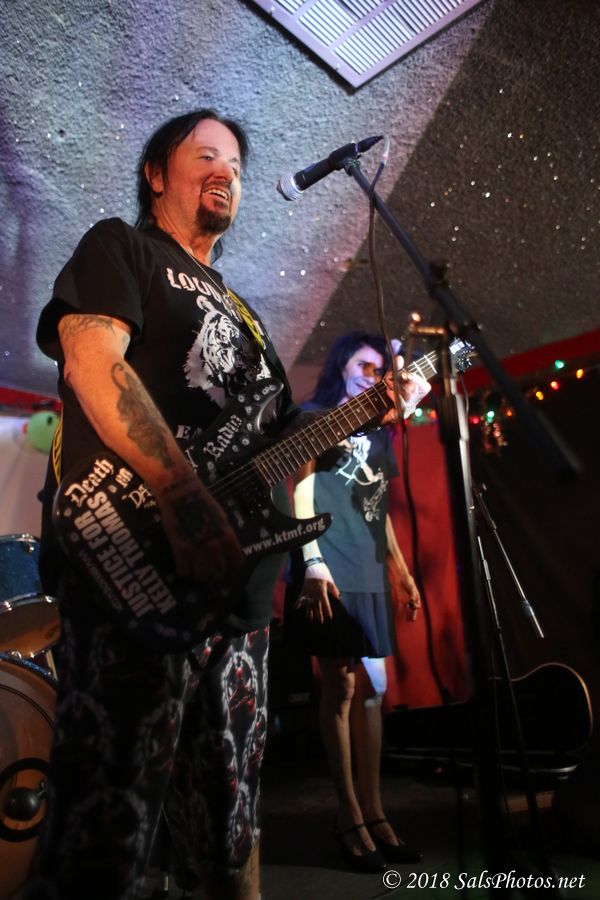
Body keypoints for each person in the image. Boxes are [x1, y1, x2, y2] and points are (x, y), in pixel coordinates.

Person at [27, 111, 425, 900]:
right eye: (205, 155)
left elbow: (284, 446)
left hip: (238, 606)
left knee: (229, 830)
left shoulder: (246, 315)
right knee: (103, 831)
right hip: (135, 576)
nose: (227, 171)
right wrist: (182, 495)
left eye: (237, 164)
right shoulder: (122, 247)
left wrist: (364, 411)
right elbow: (92, 359)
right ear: (155, 174)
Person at [290, 331, 427, 874]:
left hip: (368, 566)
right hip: (329, 563)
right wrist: (311, 560)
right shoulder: (315, 418)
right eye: (365, 366)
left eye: (379, 369)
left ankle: (376, 814)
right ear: (342, 367)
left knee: (374, 690)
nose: (373, 376)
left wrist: (401, 570)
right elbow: (299, 489)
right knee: (342, 685)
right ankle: (349, 817)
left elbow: (379, 506)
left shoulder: (379, 431)